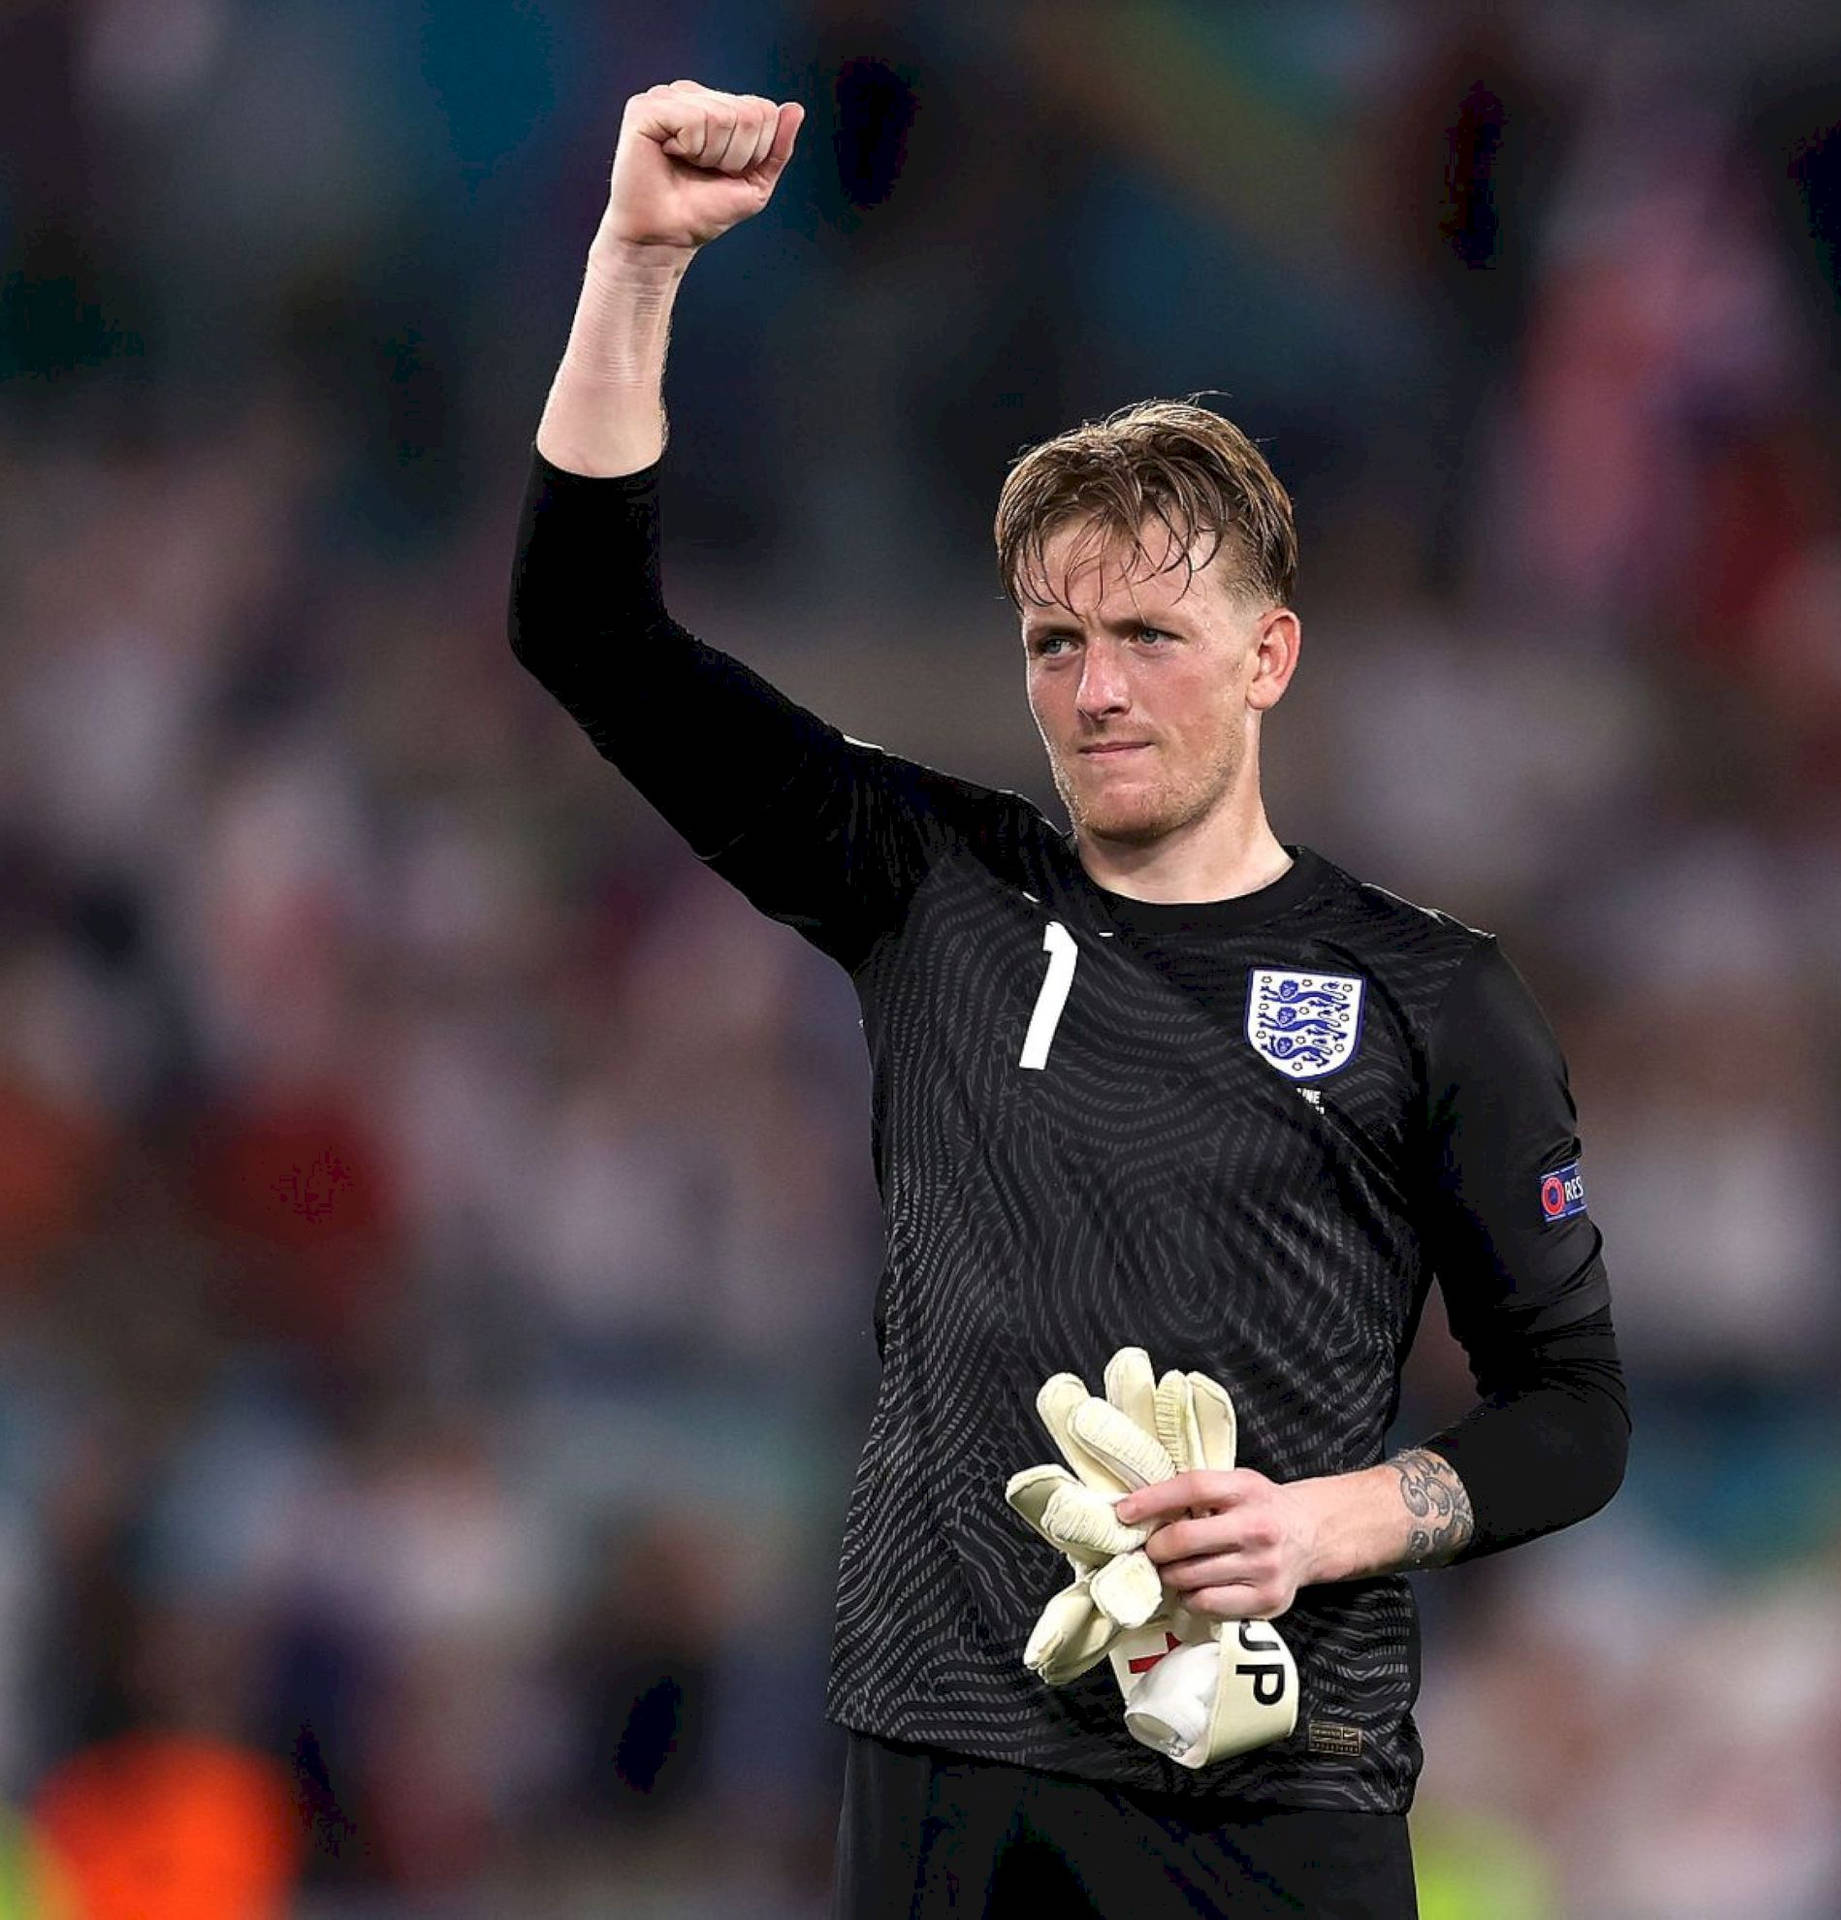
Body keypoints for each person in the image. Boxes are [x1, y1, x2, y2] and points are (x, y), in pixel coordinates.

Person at [509, 81, 1630, 1920]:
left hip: (1276, 1789)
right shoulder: (930, 885)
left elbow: (1572, 1413)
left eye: (1149, 638)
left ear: (1269, 654)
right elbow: (583, 630)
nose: (1095, 689)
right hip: (940, 1771)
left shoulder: (1434, 995)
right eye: (1056, 639)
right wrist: (635, 261)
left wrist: (1322, 1523)